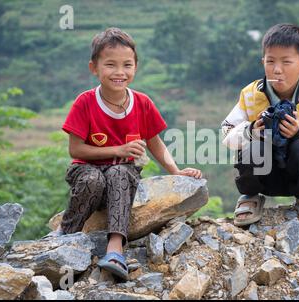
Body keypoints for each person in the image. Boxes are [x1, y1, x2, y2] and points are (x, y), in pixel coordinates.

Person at [56, 27, 202, 280]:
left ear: (136, 67)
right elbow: (75, 149)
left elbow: (156, 144)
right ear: (94, 68)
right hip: (87, 172)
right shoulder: (85, 102)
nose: (119, 72)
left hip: (120, 179)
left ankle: (115, 250)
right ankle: (66, 236)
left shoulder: (142, 103)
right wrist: (118, 149)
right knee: (93, 179)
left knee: (121, 171)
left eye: (127, 65)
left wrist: (176, 172)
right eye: (110, 65)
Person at [221, 23, 299, 226]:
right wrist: (250, 131)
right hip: (264, 176)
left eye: (286, 62)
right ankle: (250, 197)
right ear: (262, 61)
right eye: (270, 61)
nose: (277, 69)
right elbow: (227, 133)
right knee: (251, 145)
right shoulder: (250, 93)